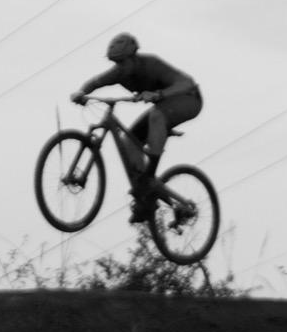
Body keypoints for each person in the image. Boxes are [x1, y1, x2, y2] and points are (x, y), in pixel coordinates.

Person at [71, 32, 202, 222]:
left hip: (189, 99)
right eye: (117, 63)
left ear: (133, 57)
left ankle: (149, 175)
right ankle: (146, 197)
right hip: (164, 105)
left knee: (157, 116)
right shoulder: (119, 72)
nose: (120, 68)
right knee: (129, 142)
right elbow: (96, 82)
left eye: (123, 62)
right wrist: (81, 92)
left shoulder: (151, 64)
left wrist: (158, 94)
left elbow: (187, 83)